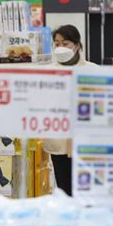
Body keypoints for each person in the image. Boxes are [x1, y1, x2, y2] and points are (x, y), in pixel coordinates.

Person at [45, 25, 97, 196]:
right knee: (64, 188)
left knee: (87, 189)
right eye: (57, 43)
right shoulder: (47, 72)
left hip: (86, 141)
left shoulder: (93, 70)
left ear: (77, 45)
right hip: (58, 139)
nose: (60, 47)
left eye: (65, 43)